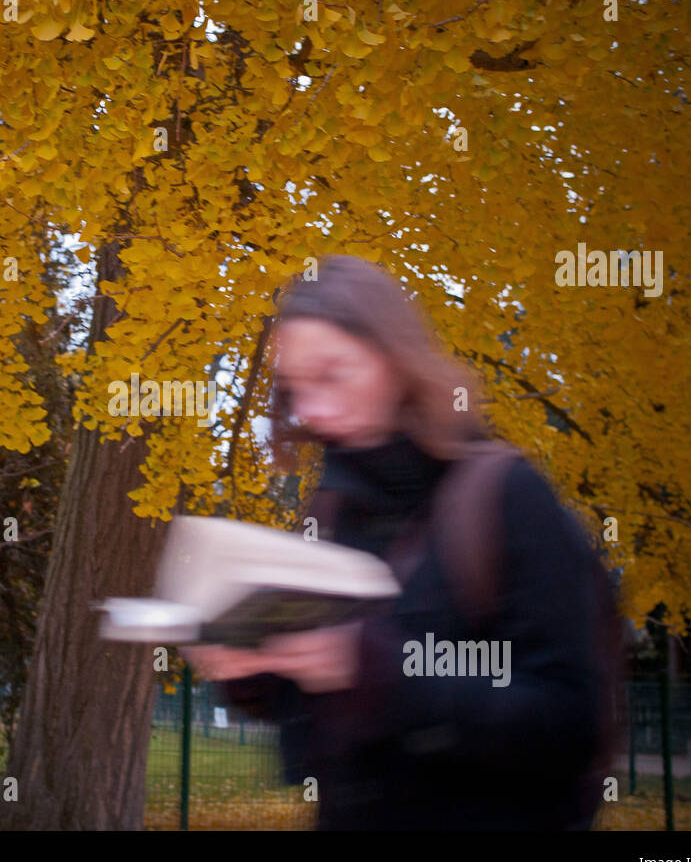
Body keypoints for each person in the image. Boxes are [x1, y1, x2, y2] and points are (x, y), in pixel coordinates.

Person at [181, 255, 618, 830]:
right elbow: (332, 722)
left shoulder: (506, 495)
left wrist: (379, 669)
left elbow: (571, 727)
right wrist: (257, 673)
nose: (312, 410)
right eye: (295, 388)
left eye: (333, 373)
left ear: (395, 359)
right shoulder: (335, 511)